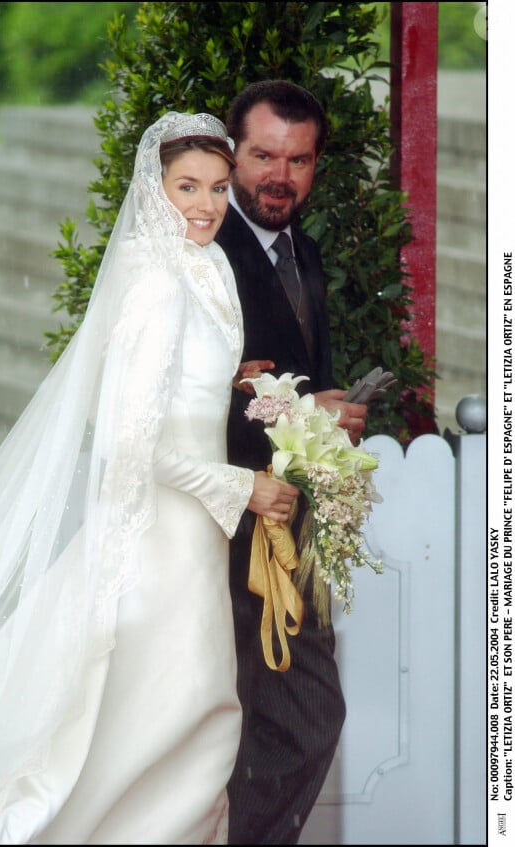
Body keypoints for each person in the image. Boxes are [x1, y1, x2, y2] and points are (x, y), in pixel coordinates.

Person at [0, 111, 300, 846]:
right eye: (186, 187)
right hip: (156, 543)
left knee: (170, 716)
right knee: (189, 709)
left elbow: (169, 387)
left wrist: (227, 379)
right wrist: (244, 488)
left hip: (189, 539)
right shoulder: (153, 281)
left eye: (218, 188)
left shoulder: (200, 264)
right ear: (153, 189)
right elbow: (134, 443)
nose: (204, 204)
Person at [215, 80, 368, 845]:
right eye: (264, 155)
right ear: (232, 153)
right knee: (254, 731)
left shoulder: (301, 247)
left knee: (301, 719)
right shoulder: (205, 252)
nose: (281, 175)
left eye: (299, 159)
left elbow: (288, 382)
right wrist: (312, 416)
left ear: (316, 166)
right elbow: (195, 406)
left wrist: (327, 408)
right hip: (225, 537)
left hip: (292, 535)